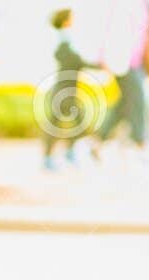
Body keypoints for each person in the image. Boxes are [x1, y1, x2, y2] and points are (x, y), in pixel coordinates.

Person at [42, 8, 103, 170]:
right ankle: (56, 157)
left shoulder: (65, 38)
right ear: (65, 20)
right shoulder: (62, 38)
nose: (74, 20)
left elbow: (74, 60)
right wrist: (98, 65)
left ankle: (63, 154)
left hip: (66, 88)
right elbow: (73, 60)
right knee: (70, 123)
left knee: (71, 122)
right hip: (64, 89)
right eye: (71, 17)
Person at [96, 0, 149, 153]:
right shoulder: (122, 4)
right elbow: (111, 29)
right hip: (124, 61)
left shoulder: (144, 5)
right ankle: (140, 142)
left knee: (124, 103)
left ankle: (98, 140)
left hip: (137, 61)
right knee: (138, 99)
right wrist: (104, 56)